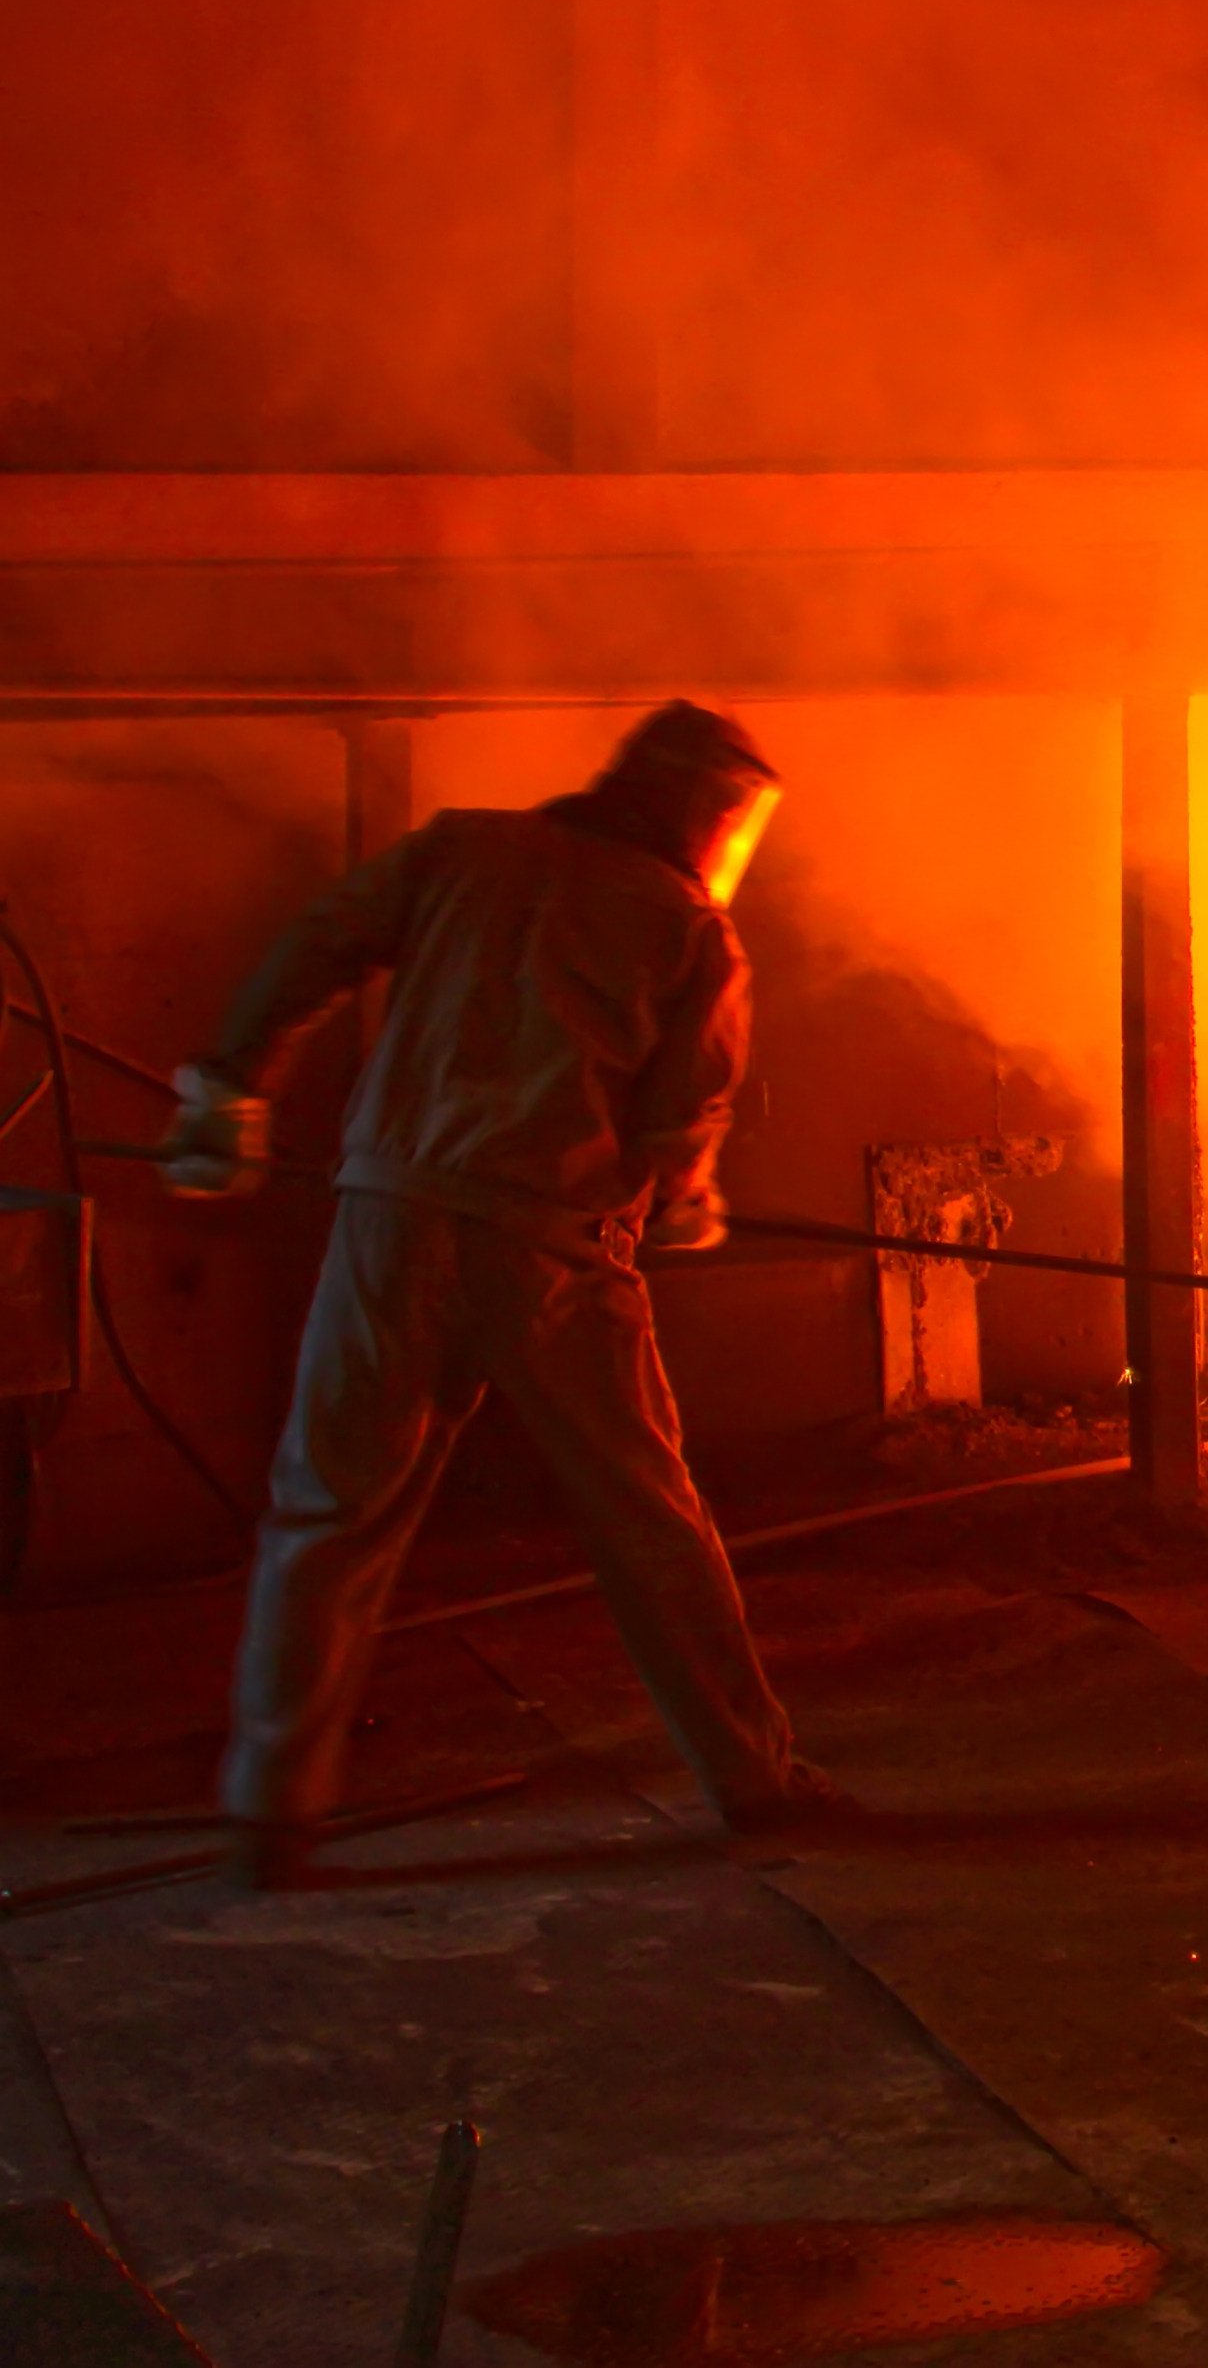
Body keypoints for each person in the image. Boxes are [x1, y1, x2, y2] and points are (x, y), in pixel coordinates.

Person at [165, 702, 840, 1888]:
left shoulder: (458, 852)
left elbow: (312, 947)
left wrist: (229, 1088)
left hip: (389, 1224)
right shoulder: (690, 933)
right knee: (649, 1521)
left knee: (325, 1519)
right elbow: (680, 1125)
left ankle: (270, 1814)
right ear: (712, 816)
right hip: (549, 1253)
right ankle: (752, 1778)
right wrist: (686, 1199)